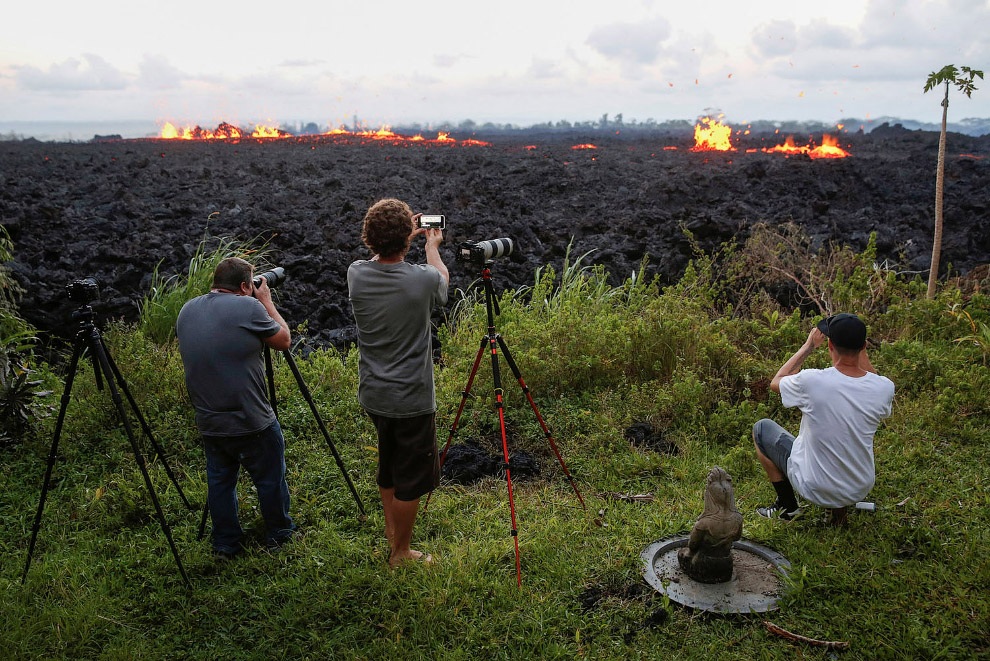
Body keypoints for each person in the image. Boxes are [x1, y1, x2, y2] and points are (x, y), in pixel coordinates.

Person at [347, 198, 449, 567]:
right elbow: (442, 283)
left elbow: (380, 261)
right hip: (411, 399)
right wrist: (431, 247)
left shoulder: (356, 272)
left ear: (369, 239)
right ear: (408, 237)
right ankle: (401, 553)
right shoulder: (421, 280)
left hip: (374, 393)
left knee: (388, 465)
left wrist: (402, 233)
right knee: (411, 479)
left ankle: (393, 534)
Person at [176, 257, 294, 558]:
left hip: (209, 420)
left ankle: (225, 543)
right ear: (245, 286)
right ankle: (279, 534)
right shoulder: (249, 306)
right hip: (251, 419)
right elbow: (283, 341)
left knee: (220, 480)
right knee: (269, 477)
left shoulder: (187, 310)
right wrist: (266, 301)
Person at [753, 313, 895, 523]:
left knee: (761, 429)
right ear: (864, 346)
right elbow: (872, 378)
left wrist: (808, 346)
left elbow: (777, 381)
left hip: (815, 487)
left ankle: (787, 507)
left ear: (829, 344)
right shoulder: (884, 388)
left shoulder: (812, 381)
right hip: (859, 487)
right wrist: (859, 350)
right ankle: (838, 513)